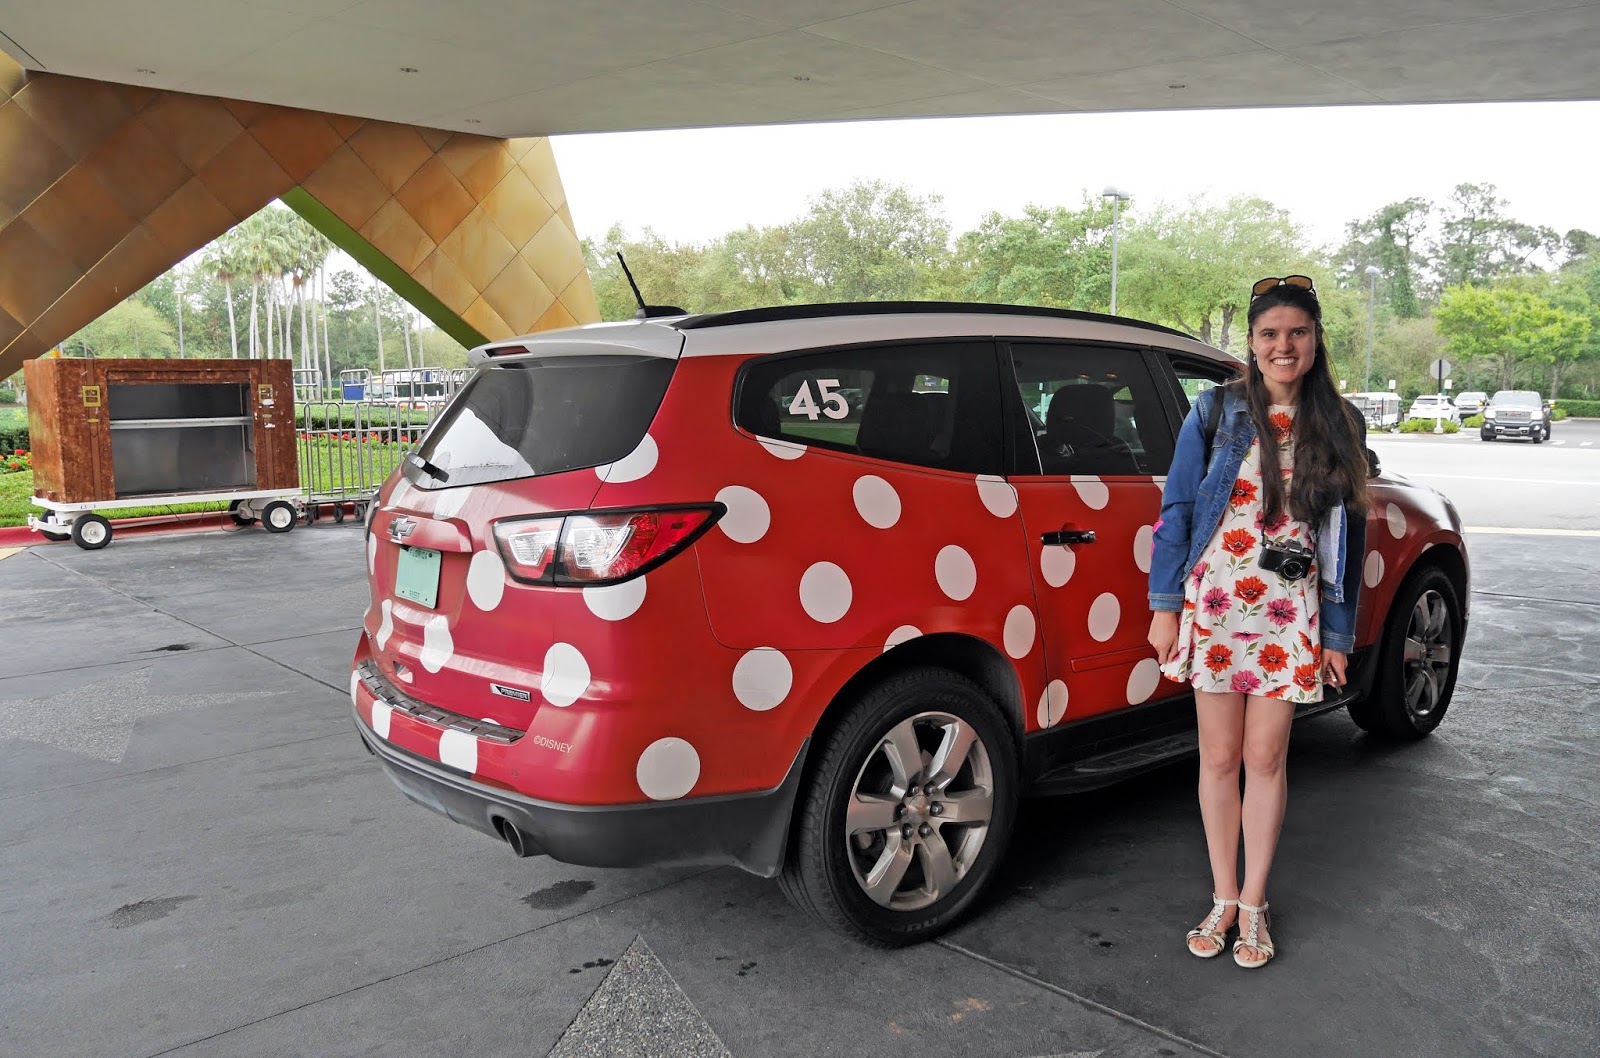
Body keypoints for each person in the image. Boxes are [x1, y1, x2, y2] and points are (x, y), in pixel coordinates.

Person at [1146, 274, 1370, 969]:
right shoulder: (1214, 411)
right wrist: (1164, 605)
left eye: (1297, 333)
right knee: (1217, 757)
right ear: (1251, 341)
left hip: (1289, 613)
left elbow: (1345, 539)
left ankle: (1253, 904)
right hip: (1214, 605)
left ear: (1315, 340)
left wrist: (1337, 634)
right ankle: (1219, 894)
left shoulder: (1341, 421)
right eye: (1270, 333)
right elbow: (1178, 510)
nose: (1283, 345)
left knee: (1266, 758)